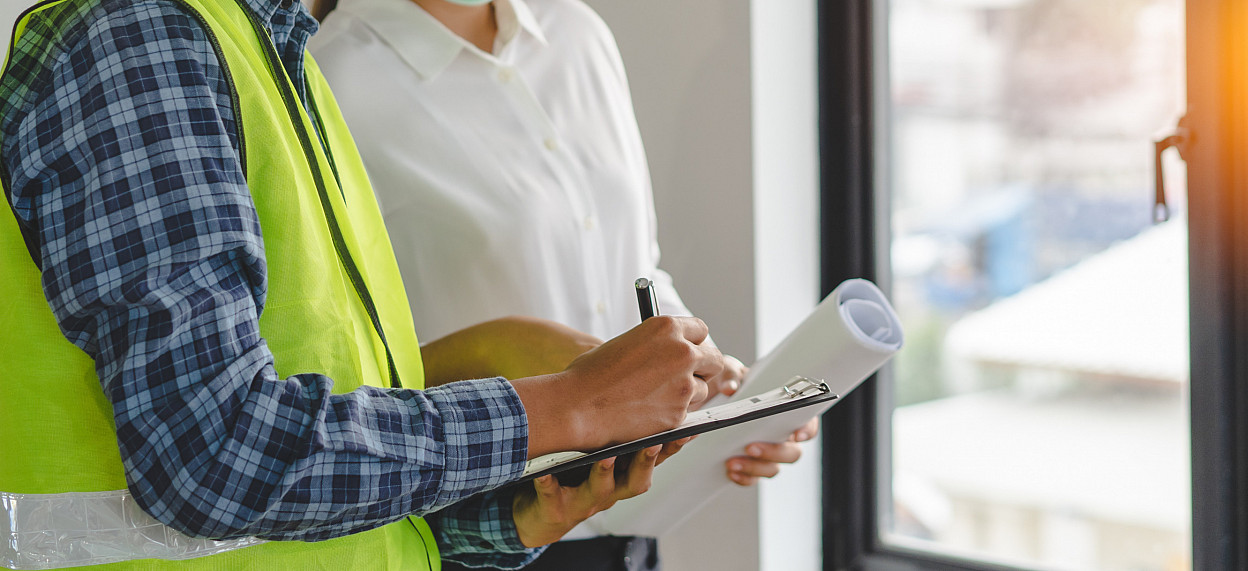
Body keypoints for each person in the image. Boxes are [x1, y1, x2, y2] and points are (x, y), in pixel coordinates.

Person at [0, 0, 723, 568]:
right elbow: (212, 452)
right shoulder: (136, 43)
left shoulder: (278, 55)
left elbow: (326, 406)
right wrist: (570, 406)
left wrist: (503, 517)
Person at [307, 0, 819, 568]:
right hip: (486, 529)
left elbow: (638, 267)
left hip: (630, 516)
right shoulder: (332, 74)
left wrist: (714, 388)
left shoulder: (577, 32)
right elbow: (348, 358)